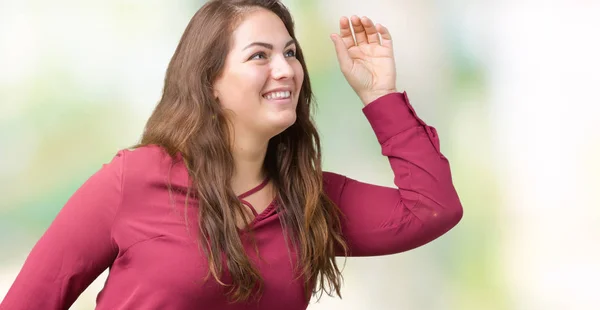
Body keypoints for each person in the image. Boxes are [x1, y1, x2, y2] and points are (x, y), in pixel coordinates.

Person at [0, 0, 463, 309]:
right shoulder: (134, 180)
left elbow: (432, 210)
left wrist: (379, 94)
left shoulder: (309, 198)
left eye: (290, 53)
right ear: (211, 83)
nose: (285, 69)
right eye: (260, 56)